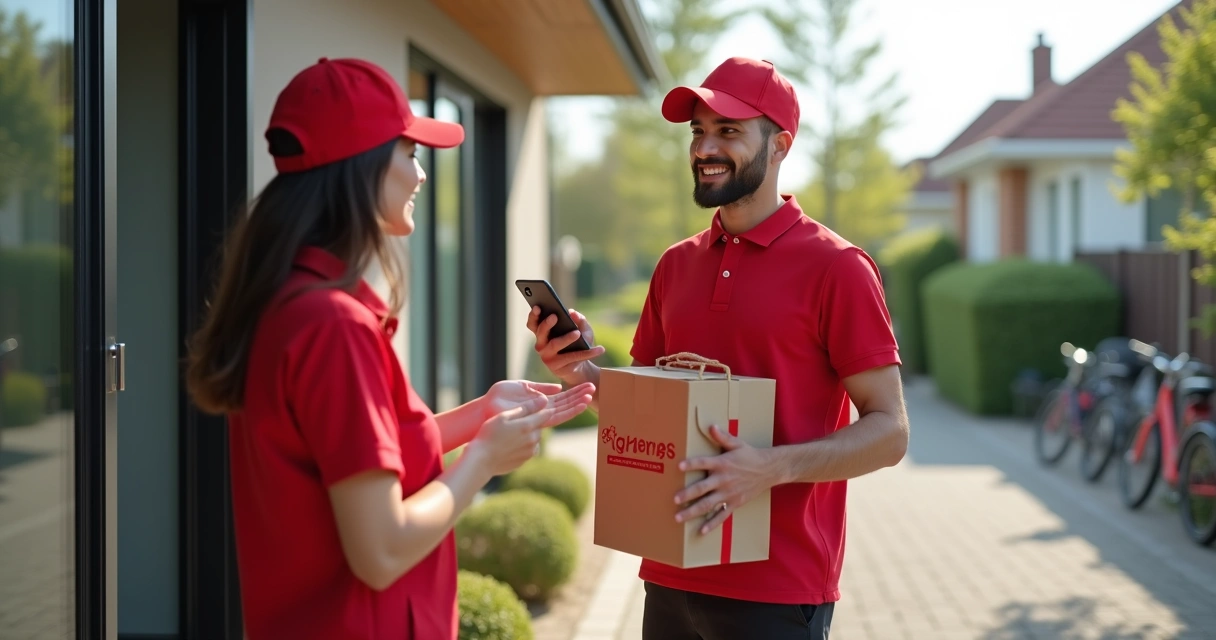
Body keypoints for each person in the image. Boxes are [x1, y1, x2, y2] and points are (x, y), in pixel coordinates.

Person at [184, 57, 595, 640]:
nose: (421, 174)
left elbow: (360, 458)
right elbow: (381, 550)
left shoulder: (288, 303)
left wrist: (481, 414)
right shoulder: (334, 325)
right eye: (409, 152)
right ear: (363, 167)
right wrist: (482, 460)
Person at [527, 57, 909, 639]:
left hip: (777, 588)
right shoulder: (675, 265)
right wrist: (579, 370)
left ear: (780, 146)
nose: (705, 147)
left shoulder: (838, 268)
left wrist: (771, 468)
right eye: (698, 131)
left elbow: (890, 431)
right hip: (668, 571)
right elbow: (652, 415)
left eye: (728, 131)